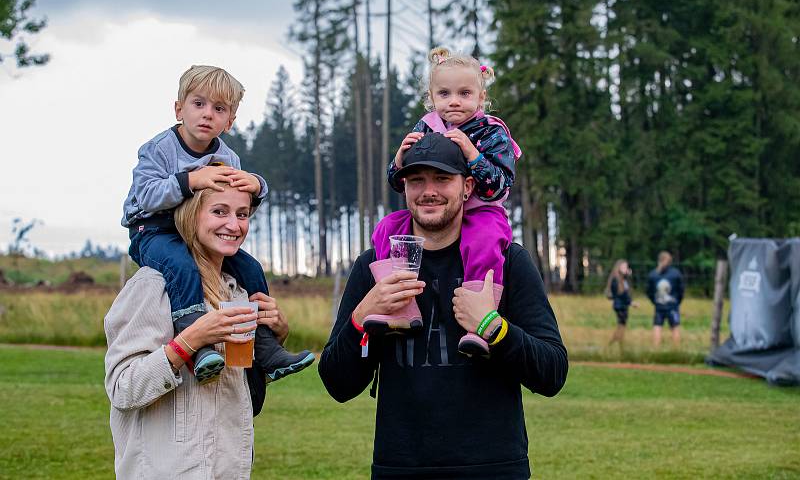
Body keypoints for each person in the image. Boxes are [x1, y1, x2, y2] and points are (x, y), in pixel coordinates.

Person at [319, 133, 568, 479]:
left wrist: (493, 327)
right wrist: (362, 317)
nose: (428, 190)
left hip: (493, 468)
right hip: (400, 467)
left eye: (442, 178)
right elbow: (337, 384)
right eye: (416, 180)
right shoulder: (375, 266)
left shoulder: (507, 262)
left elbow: (552, 373)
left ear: (467, 187)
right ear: (403, 187)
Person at [121, 65, 313, 384]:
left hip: (197, 235)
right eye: (199, 104)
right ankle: (199, 346)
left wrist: (256, 184)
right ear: (179, 109)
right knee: (181, 266)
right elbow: (146, 195)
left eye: (219, 108)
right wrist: (192, 179)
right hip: (153, 230)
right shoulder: (158, 149)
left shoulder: (228, 157)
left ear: (230, 121)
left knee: (250, 268)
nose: (207, 114)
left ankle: (264, 344)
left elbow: (238, 200)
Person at [105, 183, 291, 477]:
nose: (234, 225)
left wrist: (274, 338)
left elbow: (232, 391)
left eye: (242, 214)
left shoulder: (238, 291)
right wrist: (189, 341)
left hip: (228, 469)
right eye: (219, 211)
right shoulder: (152, 286)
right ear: (191, 216)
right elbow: (122, 389)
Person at [367, 46, 522, 357]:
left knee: (485, 241)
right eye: (445, 93)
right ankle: (401, 305)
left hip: (481, 211)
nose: (454, 101)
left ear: (481, 98)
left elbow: (498, 186)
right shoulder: (426, 127)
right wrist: (399, 158)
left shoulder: (492, 133)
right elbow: (399, 182)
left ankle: (477, 323)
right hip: (441, 215)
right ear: (431, 96)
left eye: (465, 93)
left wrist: (472, 155)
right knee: (387, 227)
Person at [646, 251, 684, 347]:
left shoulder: (653, 274)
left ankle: (656, 348)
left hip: (659, 306)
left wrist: (655, 301)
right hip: (673, 306)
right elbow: (681, 290)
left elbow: (648, 291)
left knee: (657, 326)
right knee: (675, 327)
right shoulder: (676, 273)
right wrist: (677, 301)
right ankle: (677, 349)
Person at [605, 259, 637, 345]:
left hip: (623, 305)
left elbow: (627, 289)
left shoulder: (623, 279)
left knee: (622, 325)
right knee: (621, 326)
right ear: (618, 268)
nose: (625, 268)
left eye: (626, 267)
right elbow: (622, 294)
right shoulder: (616, 279)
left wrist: (628, 275)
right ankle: (613, 343)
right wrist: (631, 302)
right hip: (620, 305)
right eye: (623, 267)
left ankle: (619, 343)